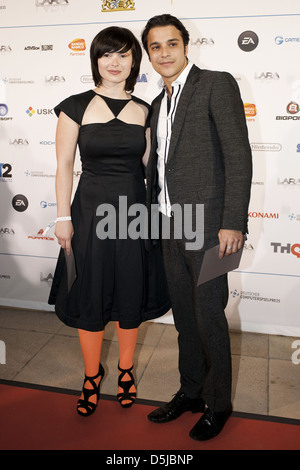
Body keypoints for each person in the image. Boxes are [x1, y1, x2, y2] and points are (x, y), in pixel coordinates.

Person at [48, 26, 171, 417]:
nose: (114, 62)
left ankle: (126, 370)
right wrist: (63, 216)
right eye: (106, 54)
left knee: (131, 290)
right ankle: (90, 375)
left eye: (123, 54)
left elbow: (151, 168)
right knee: (91, 292)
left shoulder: (147, 110)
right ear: (96, 60)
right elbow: (65, 165)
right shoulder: (75, 105)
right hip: (89, 213)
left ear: (135, 60)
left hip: (135, 212)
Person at [141, 14, 252, 440]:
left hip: (212, 230)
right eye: (155, 46)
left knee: (209, 318)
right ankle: (190, 391)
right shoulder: (157, 103)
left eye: (171, 44)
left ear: (186, 46)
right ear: (149, 54)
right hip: (171, 226)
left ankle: (219, 404)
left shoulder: (216, 84)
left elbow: (239, 158)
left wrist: (232, 223)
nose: (164, 53)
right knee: (185, 319)